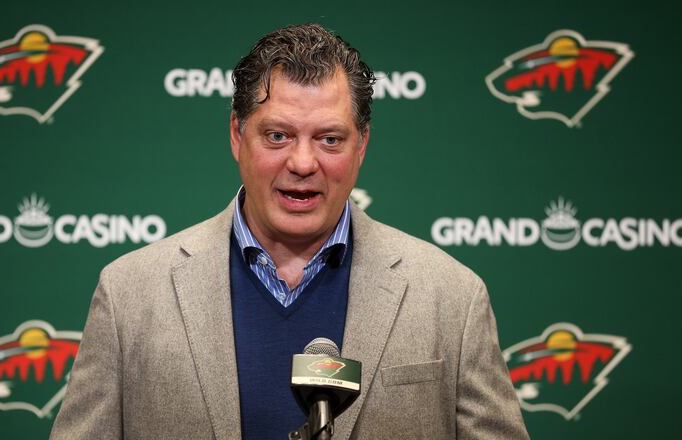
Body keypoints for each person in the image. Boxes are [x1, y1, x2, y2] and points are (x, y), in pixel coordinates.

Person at [50, 24, 529, 440]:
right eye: (277, 135)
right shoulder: (130, 294)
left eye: (330, 139)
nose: (302, 163)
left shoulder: (451, 297)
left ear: (361, 146)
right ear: (237, 134)